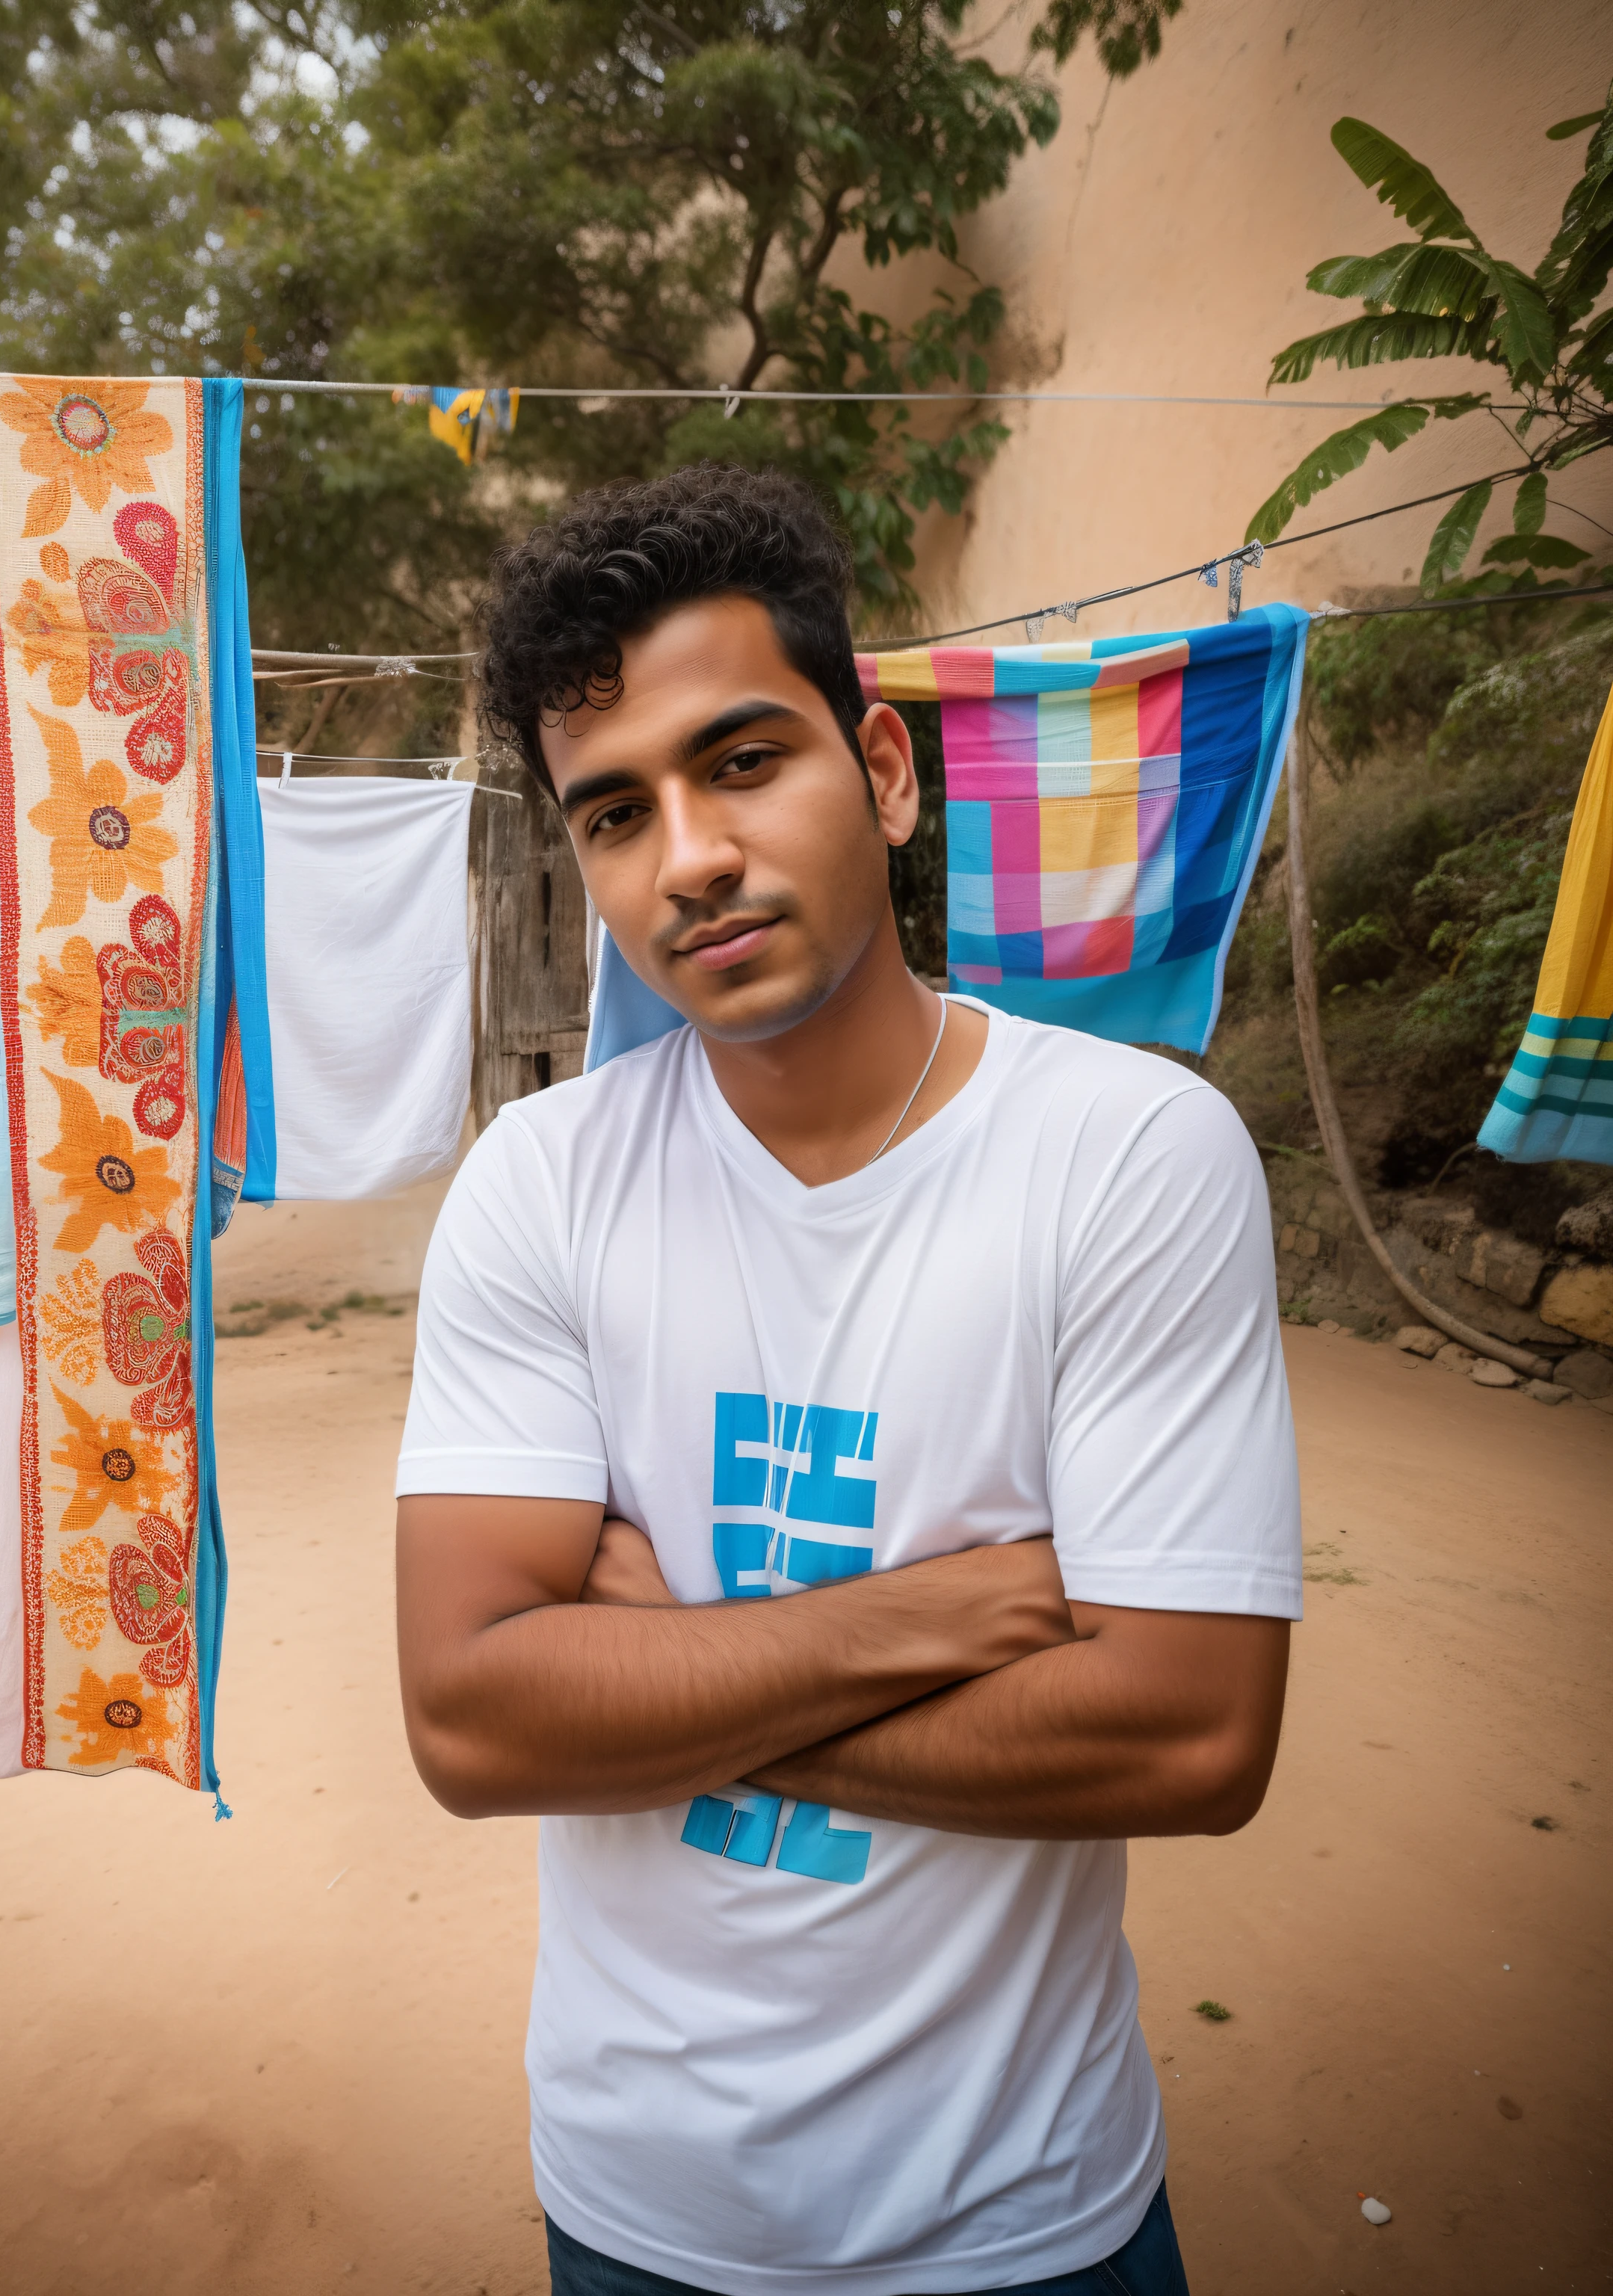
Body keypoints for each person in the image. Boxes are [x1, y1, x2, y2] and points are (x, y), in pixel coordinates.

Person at [395, 466, 1301, 2296]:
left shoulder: (1131, 1154)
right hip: (641, 2213)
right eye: (617, 814)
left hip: (1029, 2219)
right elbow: (474, 1726)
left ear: (883, 773)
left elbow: (1196, 1737)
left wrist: (661, 1668)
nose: (692, 859)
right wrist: (944, 1615)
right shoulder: (542, 1182)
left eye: (743, 763)